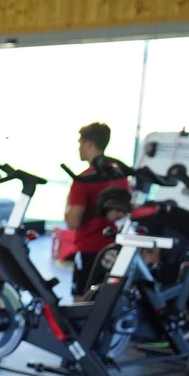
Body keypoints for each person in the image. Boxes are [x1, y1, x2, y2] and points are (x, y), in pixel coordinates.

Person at [65, 122, 132, 297]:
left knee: (81, 299)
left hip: (89, 248)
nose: (78, 148)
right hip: (114, 248)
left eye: (80, 143)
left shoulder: (84, 180)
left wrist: (68, 201)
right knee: (107, 298)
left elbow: (72, 222)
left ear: (89, 144)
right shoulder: (120, 176)